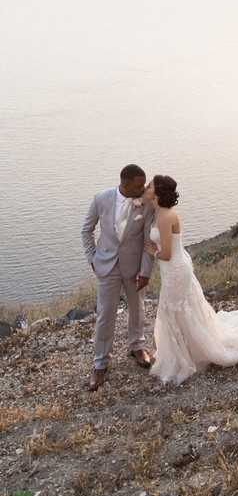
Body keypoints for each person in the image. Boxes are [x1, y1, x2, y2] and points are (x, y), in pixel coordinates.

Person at [143, 175, 238, 385]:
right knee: (177, 310)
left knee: (174, 310)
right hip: (174, 269)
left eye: (149, 185)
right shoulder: (159, 211)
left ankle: (185, 356)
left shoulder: (166, 216)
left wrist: (152, 251)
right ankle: (183, 351)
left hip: (175, 268)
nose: (145, 187)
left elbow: (166, 253)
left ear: (157, 193)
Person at [81, 164, 155, 391]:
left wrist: (145, 272)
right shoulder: (100, 199)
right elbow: (86, 230)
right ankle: (100, 364)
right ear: (124, 183)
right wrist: (93, 259)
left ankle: (137, 346)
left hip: (133, 268)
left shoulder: (146, 204)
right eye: (139, 185)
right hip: (106, 266)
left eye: (144, 184)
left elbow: (148, 241)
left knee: (138, 309)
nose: (143, 188)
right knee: (105, 314)